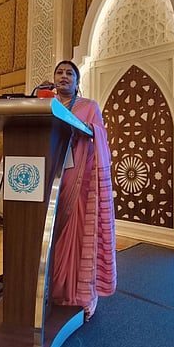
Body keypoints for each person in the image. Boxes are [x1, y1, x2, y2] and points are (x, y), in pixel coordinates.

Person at [43, 60, 117, 320]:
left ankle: (77, 294)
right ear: (54, 79)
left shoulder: (89, 107)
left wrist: (82, 128)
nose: (64, 76)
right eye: (59, 72)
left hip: (78, 178)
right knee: (50, 234)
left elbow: (99, 138)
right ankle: (49, 289)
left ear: (77, 81)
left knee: (76, 234)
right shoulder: (45, 105)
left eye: (69, 73)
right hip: (50, 175)